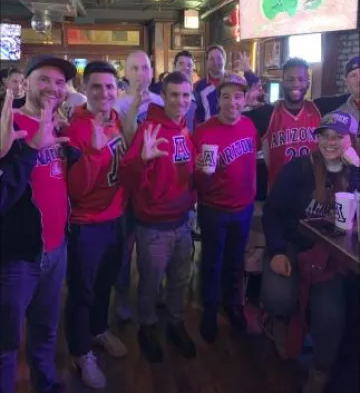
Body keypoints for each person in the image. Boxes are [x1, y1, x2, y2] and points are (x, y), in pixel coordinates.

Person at [260, 111, 359, 393]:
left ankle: (319, 372)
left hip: (332, 256)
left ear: (351, 140)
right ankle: (278, 321)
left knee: (331, 314)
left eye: (339, 137)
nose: (331, 142)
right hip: (292, 245)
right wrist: (277, 251)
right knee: (279, 298)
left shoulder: (355, 171)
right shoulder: (298, 169)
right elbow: (273, 213)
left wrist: (358, 168)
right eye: (325, 136)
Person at [0, 55, 77, 393]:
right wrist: (30, 147)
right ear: (25, 82)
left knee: (46, 330)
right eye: (44, 80)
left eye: (60, 83)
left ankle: (45, 384)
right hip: (19, 257)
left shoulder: (58, 124)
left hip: (57, 248)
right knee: (6, 342)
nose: (53, 88)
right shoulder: (8, 125)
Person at [120, 71, 196, 363]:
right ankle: (147, 327)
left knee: (179, 280)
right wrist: (141, 160)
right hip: (153, 225)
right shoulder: (149, 128)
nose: (181, 101)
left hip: (183, 220)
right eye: (174, 95)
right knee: (151, 283)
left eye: (186, 95)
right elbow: (127, 179)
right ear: (163, 97)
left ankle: (175, 322)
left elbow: (182, 172)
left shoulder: (184, 127)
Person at [64, 61, 127, 390]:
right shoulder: (76, 128)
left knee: (105, 284)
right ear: (84, 89)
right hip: (86, 224)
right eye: (97, 86)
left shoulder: (114, 118)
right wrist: (94, 153)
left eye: (109, 86)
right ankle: (79, 351)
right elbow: (76, 189)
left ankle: (98, 329)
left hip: (116, 218)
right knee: (82, 291)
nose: (104, 93)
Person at [193, 74, 257, 343]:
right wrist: (200, 171)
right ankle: (209, 310)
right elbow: (197, 180)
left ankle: (233, 306)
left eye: (238, 96)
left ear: (244, 100)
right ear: (218, 100)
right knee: (212, 262)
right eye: (227, 96)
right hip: (213, 209)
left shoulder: (250, 126)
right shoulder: (204, 131)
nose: (233, 102)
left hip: (243, 208)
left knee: (235, 261)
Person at [244, 57, 349, 190]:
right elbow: (231, 122)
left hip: (315, 192)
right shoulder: (269, 113)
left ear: (308, 84)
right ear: (282, 83)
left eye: (301, 79)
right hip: (280, 194)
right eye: (290, 79)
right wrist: (244, 103)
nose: (296, 84)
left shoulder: (319, 108)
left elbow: (350, 98)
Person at [113, 50, 163, 322]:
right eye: (134, 68)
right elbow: (128, 141)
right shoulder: (118, 104)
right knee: (125, 245)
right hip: (129, 184)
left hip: (155, 185)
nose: (140, 74)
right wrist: (134, 106)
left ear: (151, 72)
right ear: (126, 73)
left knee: (153, 244)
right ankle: (121, 294)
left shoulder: (160, 101)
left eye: (144, 68)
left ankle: (154, 291)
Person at [174, 50, 197, 133]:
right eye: (181, 64)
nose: (186, 67)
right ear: (174, 67)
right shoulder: (162, 92)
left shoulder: (198, 95)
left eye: (189, 65)